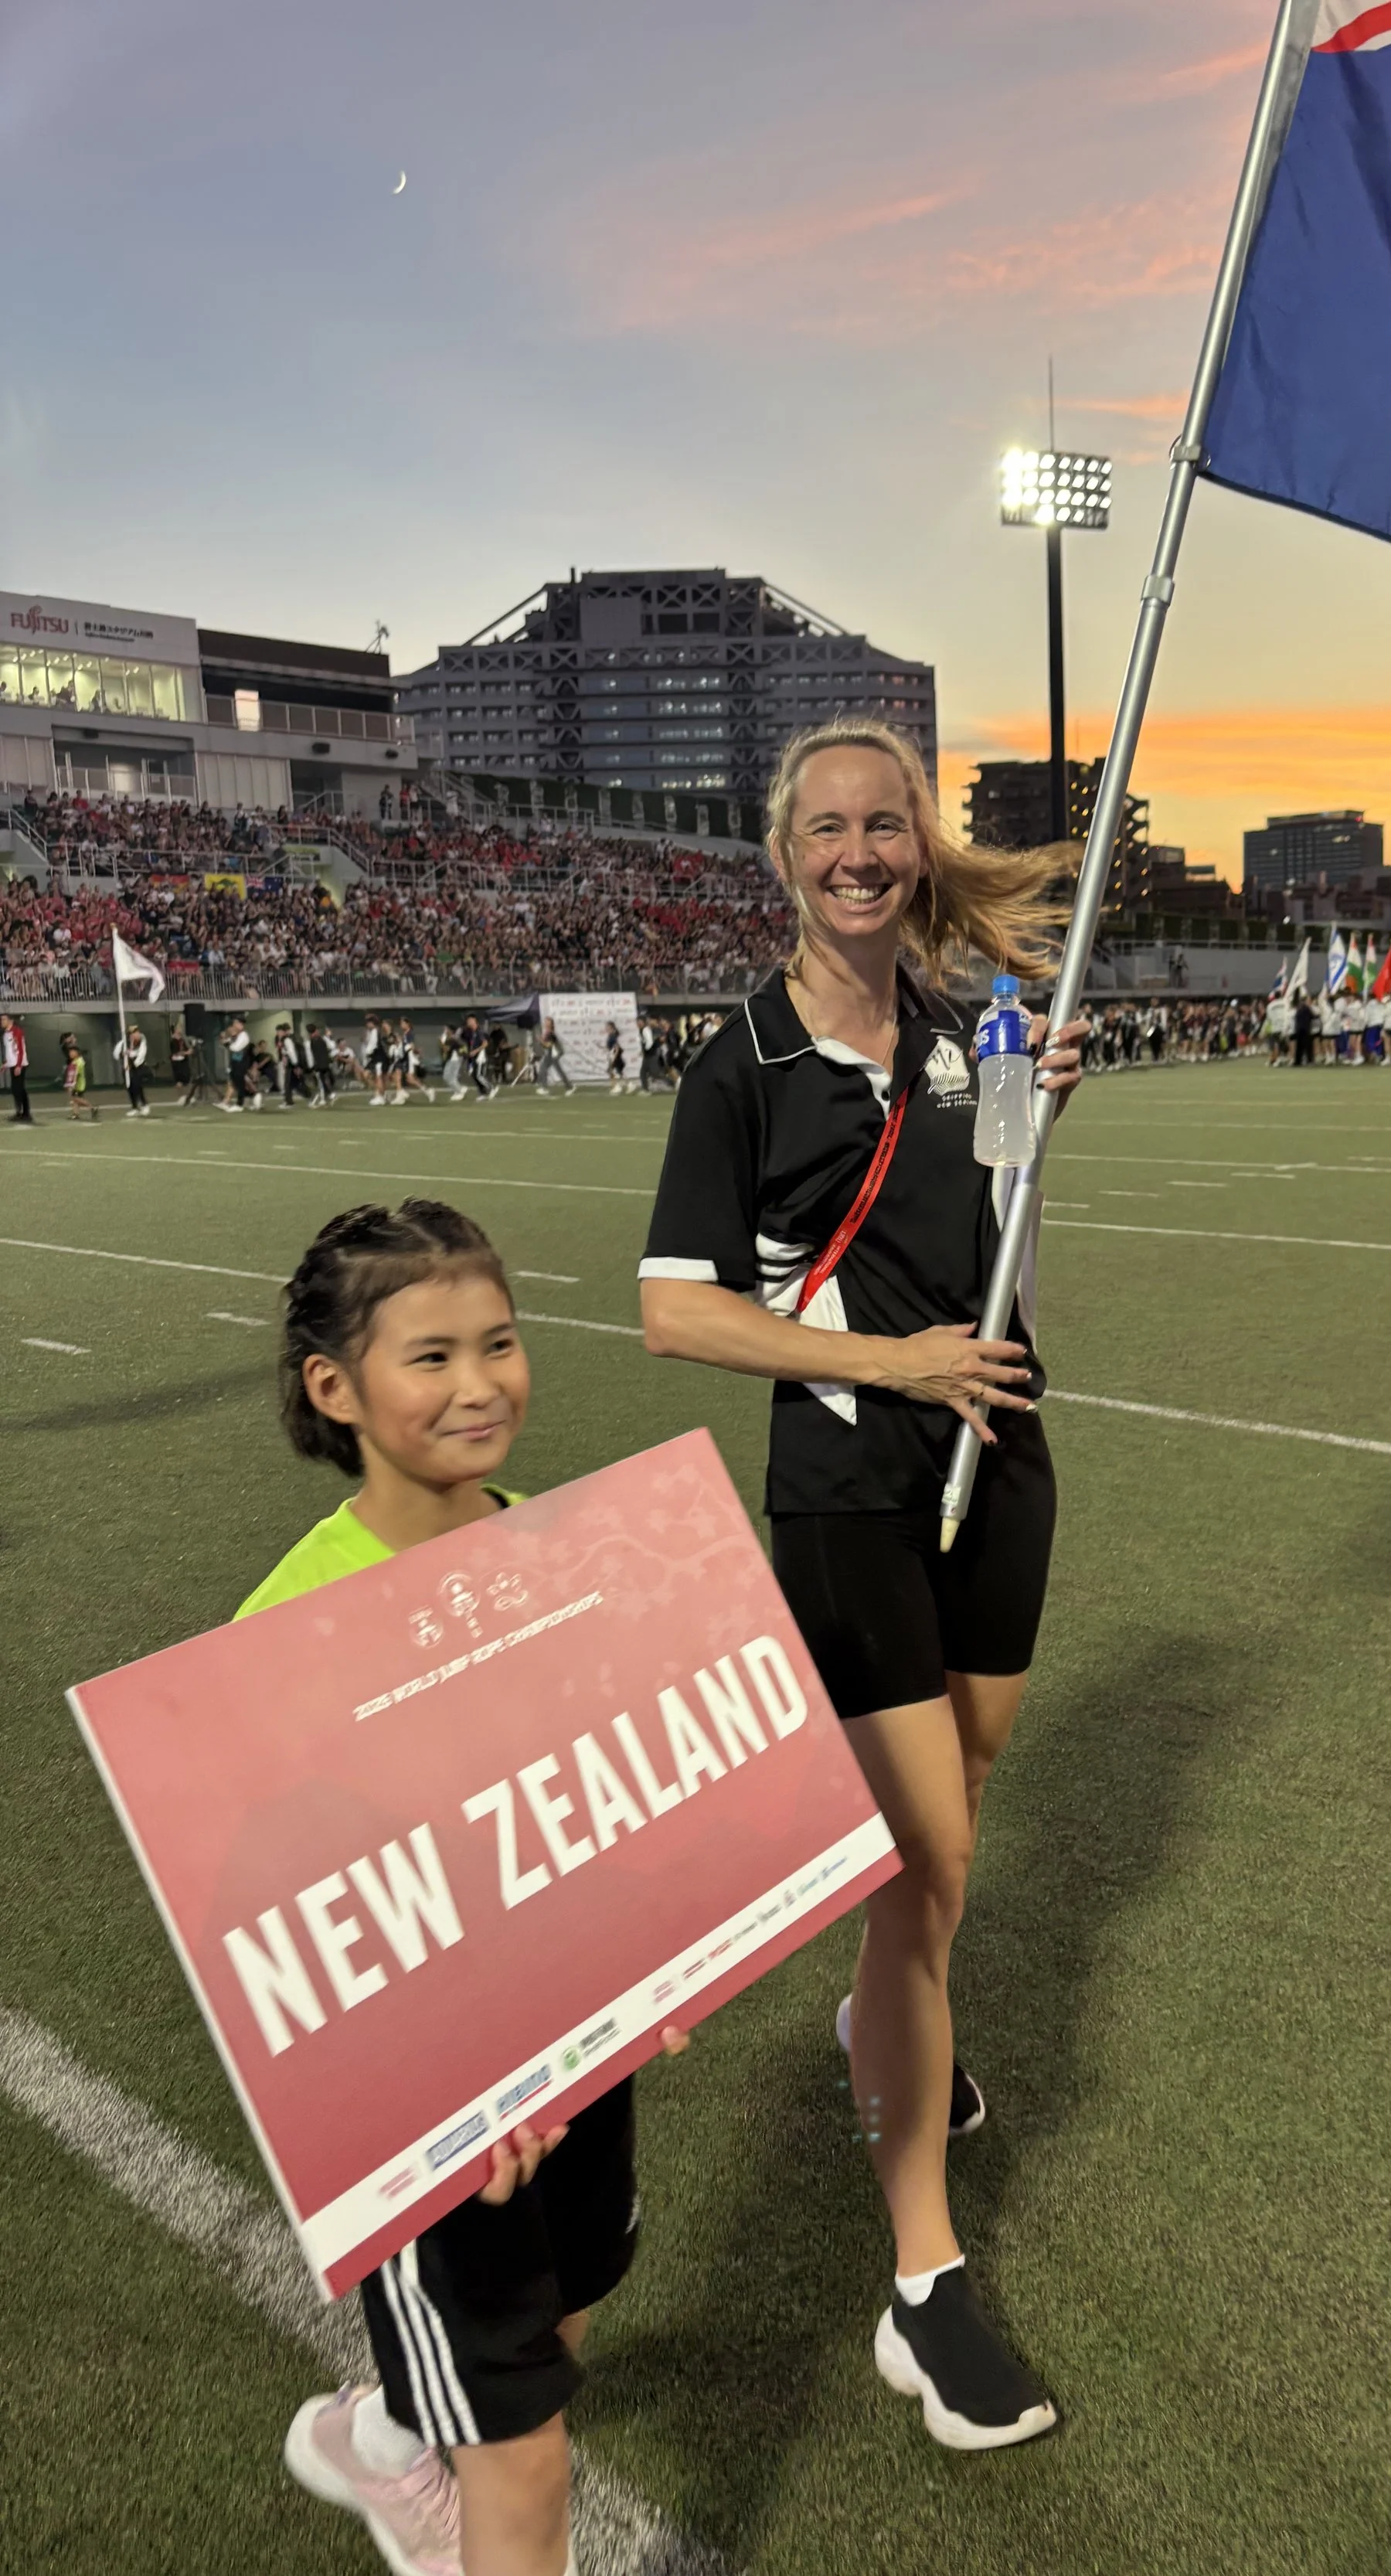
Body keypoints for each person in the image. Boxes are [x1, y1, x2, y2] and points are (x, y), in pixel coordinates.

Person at [640, 717, 1085, 2451]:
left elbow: (997, 1246)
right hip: (845, 1479)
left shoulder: (974, 1030)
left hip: (1004, 1452)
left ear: (918, 843)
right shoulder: (736, 1059)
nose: (855, 851)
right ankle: (921, 2286)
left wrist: (1034, 1125)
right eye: (823, 828)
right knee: (924, 1872)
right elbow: (678, 1308)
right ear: (783, 853)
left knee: (960, 1804)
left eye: (882, 823)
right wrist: (892, 1369)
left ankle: (878, 2022)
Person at [246, 1200, 665, 2576]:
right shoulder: (288, 1628)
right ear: (335, 1386)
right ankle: (428, 2444)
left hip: (581, 2048)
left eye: (500, 1341)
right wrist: (453, 2095)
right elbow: (295, 1924)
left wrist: (680, 1952)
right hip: (441, 2118)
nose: (481, 1381)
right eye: (431, 1355)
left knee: (578, 2300)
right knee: (527, 2457)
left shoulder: (557, 1539)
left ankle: (386, 2435)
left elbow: (610, 1791)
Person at [113, 1020, 152, 1117]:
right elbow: (116, 1054)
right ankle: (134, 1107)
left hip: (138, 1068)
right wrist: (123, 1054)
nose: (136, 1035)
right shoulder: (124, 1043)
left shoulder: (142, 1041)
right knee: (129, 1087)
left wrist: (131, 1057)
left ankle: (144, 1104)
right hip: (127, 1069)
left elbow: (141, 1055)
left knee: (137, 1086)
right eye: (133, 1034)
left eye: (137, 1033)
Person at [60, 1029, 99, 1121]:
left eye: (72, 1052)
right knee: (74, 1099)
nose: (70, 1054)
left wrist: (72, 1085)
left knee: (76, 1098)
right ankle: (75, 1114)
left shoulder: (78, 1062)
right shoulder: (75, 1061)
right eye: (70, 1052)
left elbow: (76, 1074)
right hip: (78, 1083)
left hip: (79, 1084)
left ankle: (92, 1108)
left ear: (77, 1053)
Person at [4, 1011, 33, 1123]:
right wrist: (5, 1064)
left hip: (19, 1065)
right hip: (12, 1065)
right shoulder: (6, 1034)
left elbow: (20, 1049)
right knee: (18, 1089)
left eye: (4, 1020)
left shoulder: (17, 1032)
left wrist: (19, 1065)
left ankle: (24, 1113)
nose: (2, 1022)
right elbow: (10, 1052)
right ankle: (22, 1113)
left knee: (18, 1089)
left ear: (10, 1020)